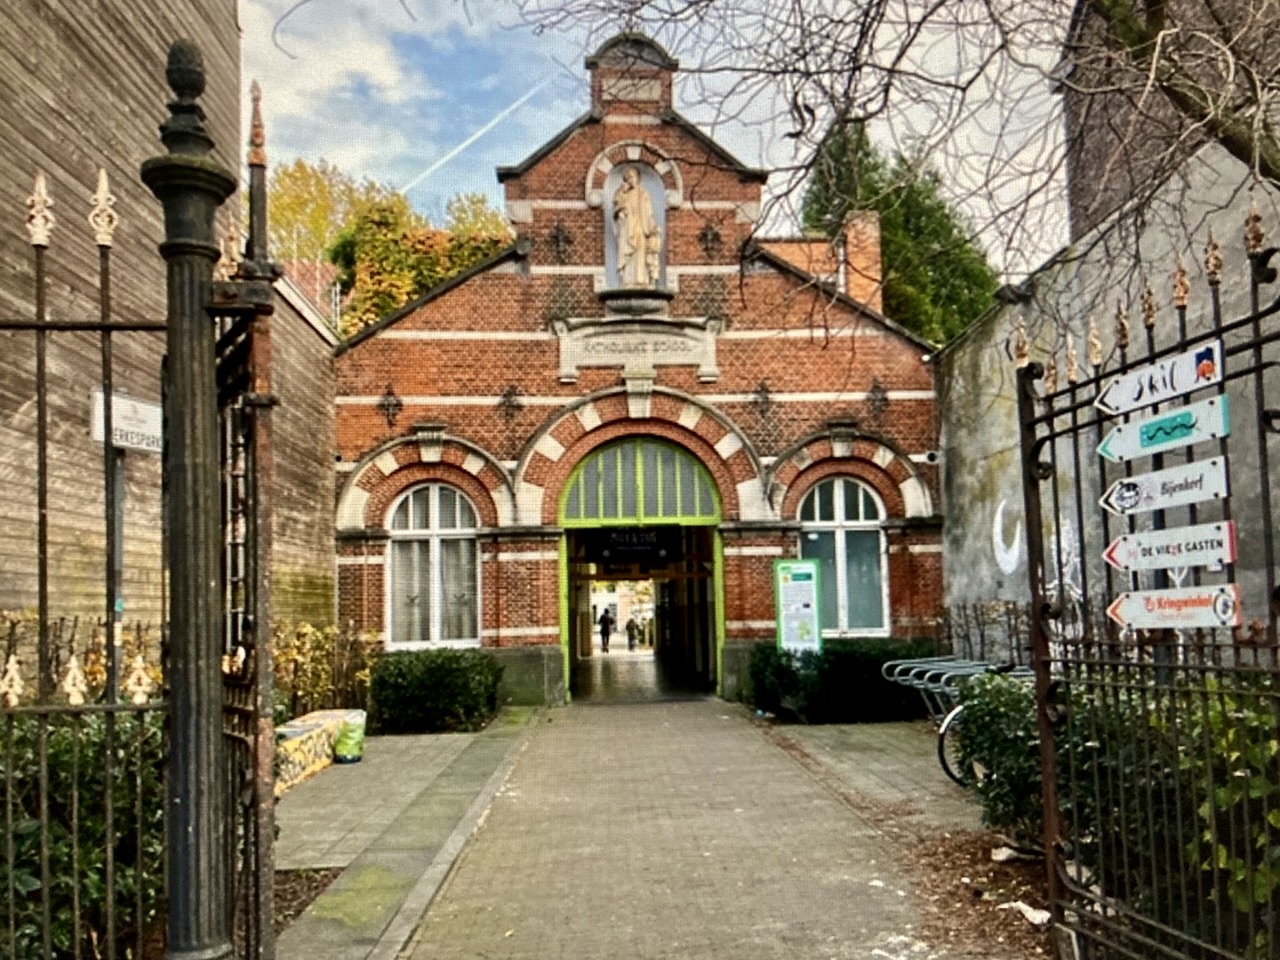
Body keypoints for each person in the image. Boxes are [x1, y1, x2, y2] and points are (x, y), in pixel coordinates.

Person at [613, 167, 661, 287]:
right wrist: (621, 196)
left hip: (640, 228)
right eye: (628, 178)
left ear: (637, 178)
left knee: (641, 253)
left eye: (632, 177)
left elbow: (648, 213)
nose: (631, 180)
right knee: (629, 254)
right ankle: (629, 281)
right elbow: (617, 209)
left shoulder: (643, 194)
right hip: (628, 228)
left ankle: (642, 280)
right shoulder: (623, 195)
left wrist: (652, 228)